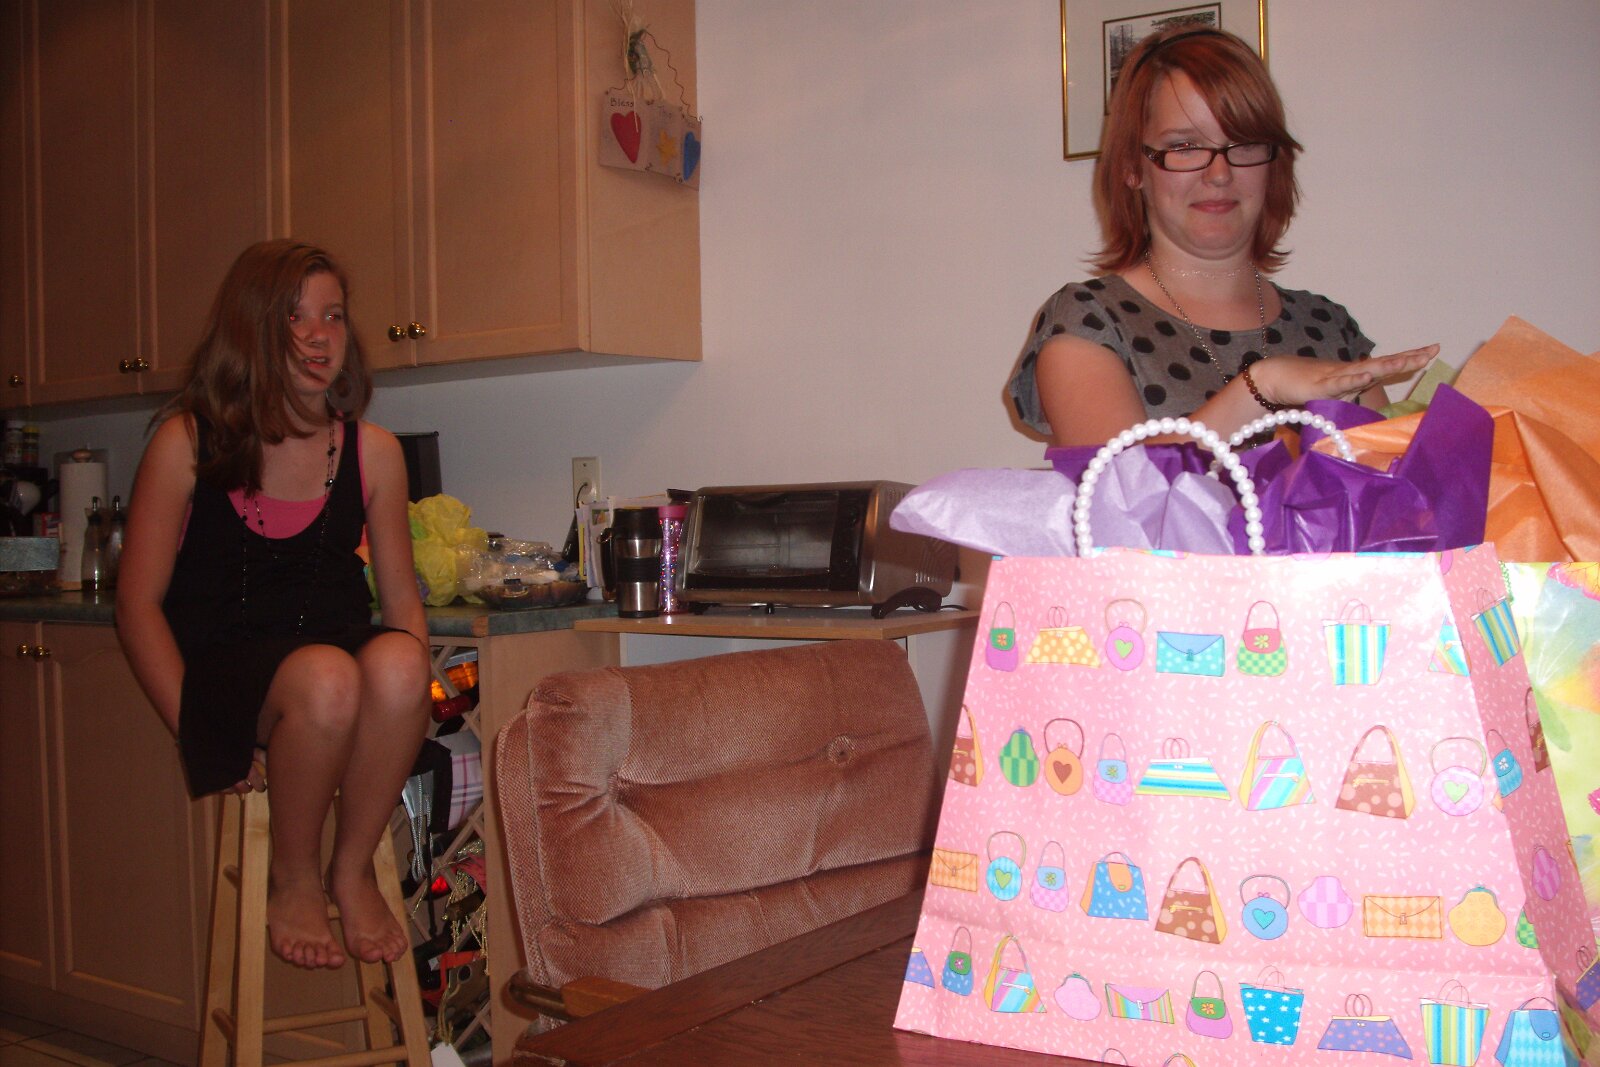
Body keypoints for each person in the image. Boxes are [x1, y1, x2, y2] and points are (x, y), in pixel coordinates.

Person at [116, 239, 431, 970]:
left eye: (334, 316)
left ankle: (349, 868)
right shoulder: (186, 442)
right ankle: (293, 877)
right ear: (253, 327)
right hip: (232, 672)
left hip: (332, 655)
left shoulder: (373, 451)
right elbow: (136, 606)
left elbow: (402, 605)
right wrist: (196, 731)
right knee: (328, 677)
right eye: (296, 317)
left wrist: (406, 704)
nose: (321, 336)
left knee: (399, 664)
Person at [1007, 25, 1438, 447]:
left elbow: (1380, 486)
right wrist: (1260, 386)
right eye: (1184, 146)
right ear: (1132, 168)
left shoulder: (1328, 326)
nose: (1219, 173)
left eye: (1244, 144)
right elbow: (1120, 485)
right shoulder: (1089, 320)